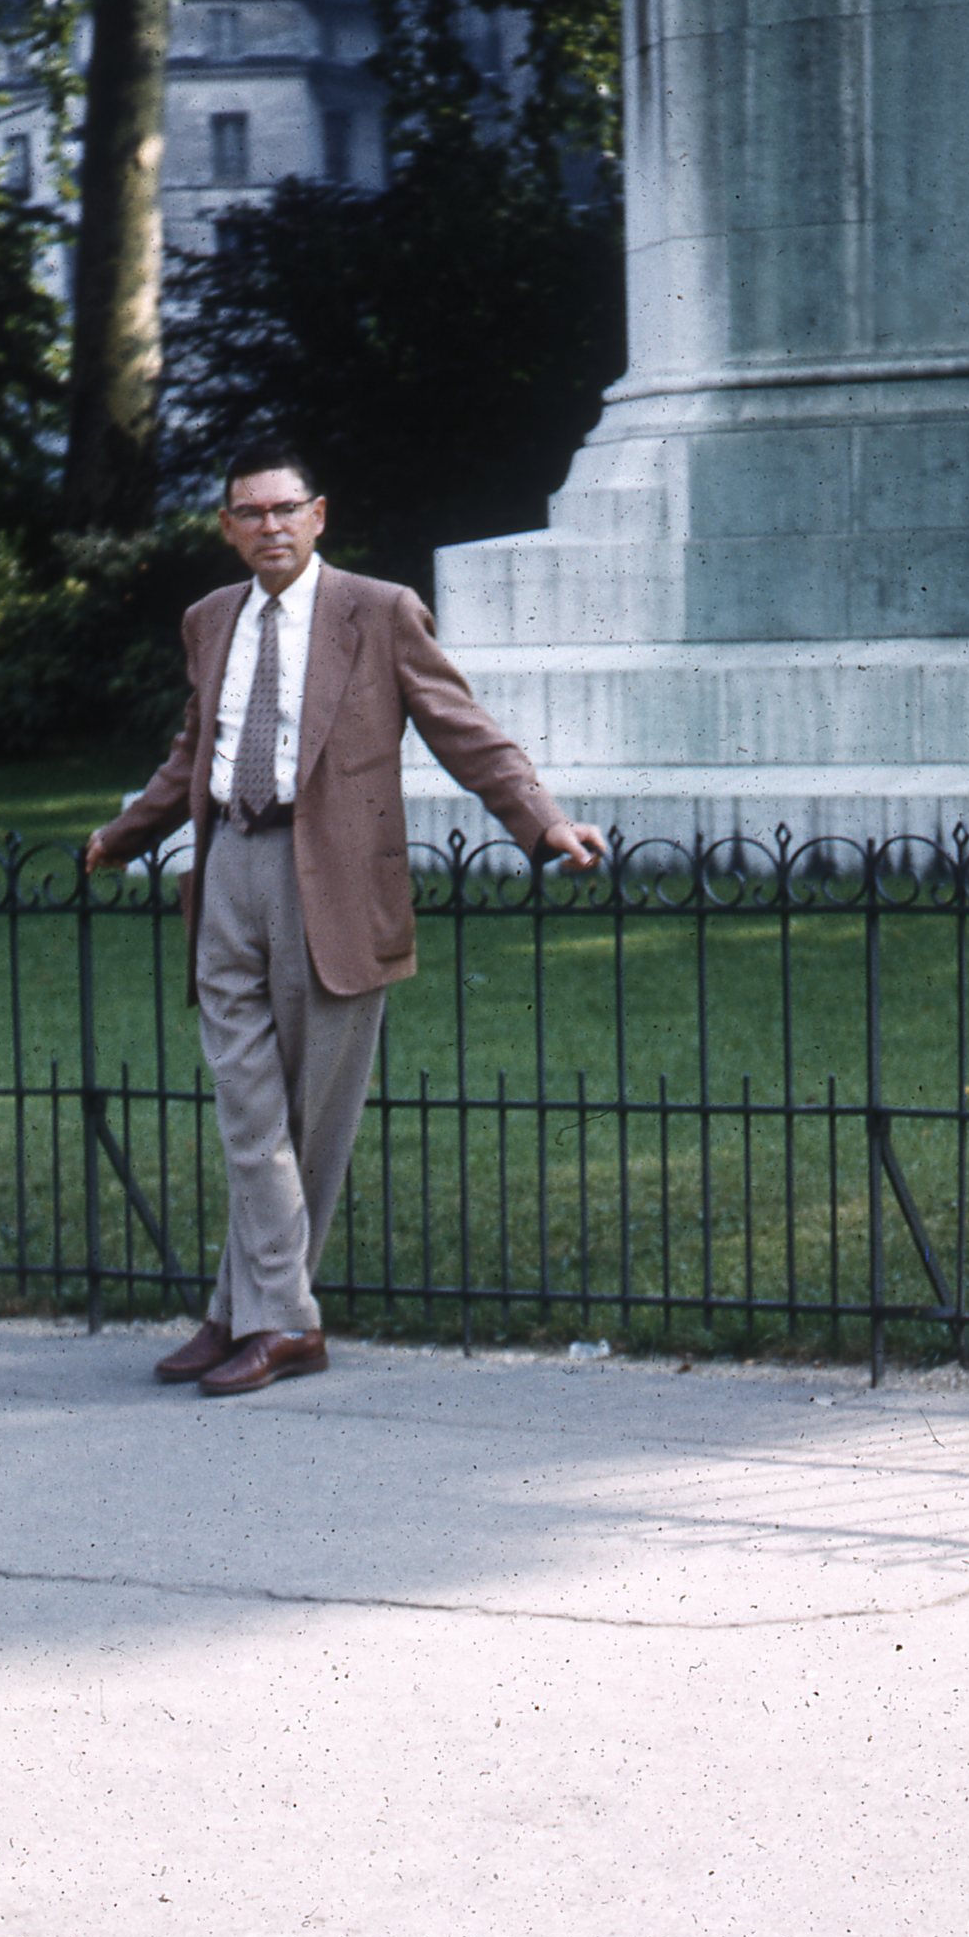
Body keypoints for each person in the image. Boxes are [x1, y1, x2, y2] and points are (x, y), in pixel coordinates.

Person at [84, 438, 606, 1396]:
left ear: (317, 515)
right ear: (227, 527)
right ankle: (278, 1321)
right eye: (251, 512)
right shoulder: (208, 620)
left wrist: (544, 823)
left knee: (309, 1122)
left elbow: (464, 731)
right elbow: (194, 749)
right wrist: (125, 834)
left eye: (286, 509)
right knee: (250, 1108)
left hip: (333, 883)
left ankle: (247, 1316)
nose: (270, 526)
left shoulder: (379, 612)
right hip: (227, 867)